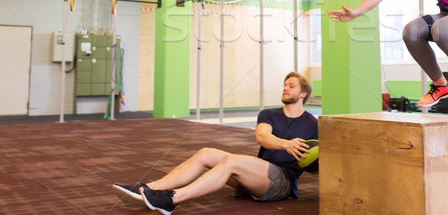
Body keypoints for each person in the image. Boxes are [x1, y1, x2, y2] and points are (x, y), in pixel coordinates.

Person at [112, 71, 318, 214]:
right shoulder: (269, 114)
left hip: (283, 182)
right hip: (257, 176)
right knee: (205, 153)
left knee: (230, 161)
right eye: (284, 85)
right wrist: (286, 144)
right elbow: (262, 136)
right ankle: (147, 188)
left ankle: (171, 200)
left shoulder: (313, 124)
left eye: (291, 86)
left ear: (303, 94)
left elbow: (321, 161)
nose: (285, 88)